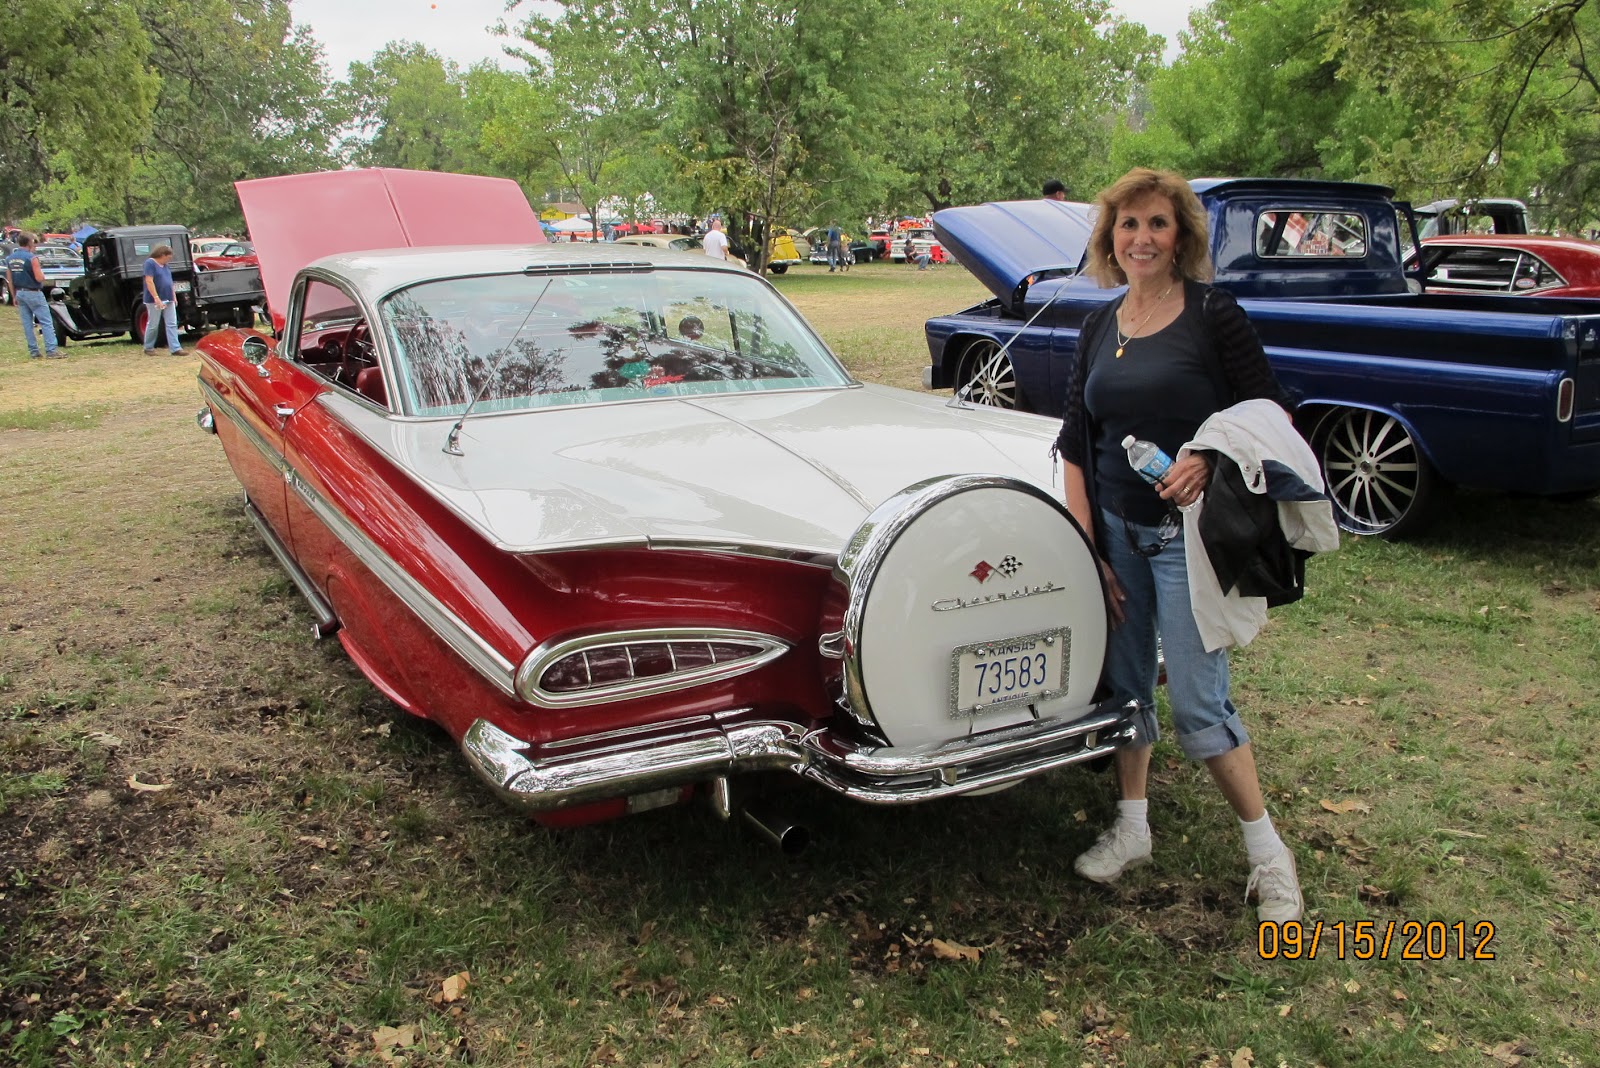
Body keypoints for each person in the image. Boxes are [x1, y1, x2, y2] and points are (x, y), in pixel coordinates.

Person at [1053, 167, 1303, 924]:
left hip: (1185, 540)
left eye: (1157, 223)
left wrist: (1210, 454)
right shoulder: (1099, 325)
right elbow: (1075, 442)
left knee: (1198, 701)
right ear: (1110, 238)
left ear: (1181, 235)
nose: (1142, 238)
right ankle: (1132, 827)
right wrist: (1088, 550)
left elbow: (1271, 409)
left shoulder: (1211, 314)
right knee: (1126, 690)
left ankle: (1269, 855)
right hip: (1116, 537)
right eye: (1128, 224)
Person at [5, 233, 63, 358]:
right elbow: (39, 277)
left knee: (27, 323)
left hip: (19, 292)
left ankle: (34, 351)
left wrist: (13, 295)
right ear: (30, 242)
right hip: (33, 292)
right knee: (46, 321)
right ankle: (51, 350)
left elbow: (10, 279)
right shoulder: (32, 258)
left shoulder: (10, 258)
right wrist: (43, 276)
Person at [142, 244, 184, 355]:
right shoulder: (150, 263)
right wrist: (156, 297)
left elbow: (169, 281)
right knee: (153, 324)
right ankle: (148, 347)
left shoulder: (165, 266)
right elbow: (149, 281)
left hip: (168, 297)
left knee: (172, 323)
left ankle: (175, 348)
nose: (169, 259)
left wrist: (173, 295)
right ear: (162, 255)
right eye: (168, 257)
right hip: (154, 299)